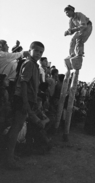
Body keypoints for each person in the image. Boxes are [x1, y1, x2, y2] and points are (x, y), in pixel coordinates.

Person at [5, 41, 45, 170]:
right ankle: (8, 159)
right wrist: (26, 102)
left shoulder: (34, 65)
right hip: (22, 99)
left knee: (15, 127)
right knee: (16, 128)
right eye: (37, 51)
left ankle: (8, 155)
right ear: (30, 50)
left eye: (41, 52)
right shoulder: (29, 64)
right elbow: (23, 83)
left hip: (25, 99)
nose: (39, 54)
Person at [64, 5, 93, 70]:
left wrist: (73, 30)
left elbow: (84, 25)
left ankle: (79, 54)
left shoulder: (79, 15)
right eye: (66, 13)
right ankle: (72, 54)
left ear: (72, 11)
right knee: (73, 40)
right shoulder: (71, 20)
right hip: (80, 29)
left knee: (79, 39)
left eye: (68, 12)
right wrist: (68, 32)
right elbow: (71, 30)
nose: (67, 14)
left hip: (87, 26)